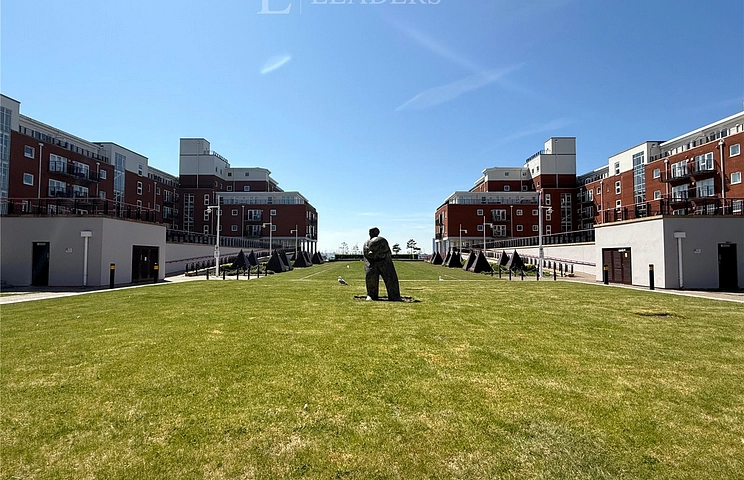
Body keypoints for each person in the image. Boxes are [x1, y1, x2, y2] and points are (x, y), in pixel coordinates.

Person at [363, 227, 402, 301]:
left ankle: (394, 295)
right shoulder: (366, 243)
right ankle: (371, 295)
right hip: (372, 263)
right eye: (370, 232)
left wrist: (379, 254)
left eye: (372, 232)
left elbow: (386, 251)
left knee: (391, 278)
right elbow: (366, 253)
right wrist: (372, 256)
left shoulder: (382, 241)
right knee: (370, 278)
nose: (370, 234)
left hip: (384, 262)